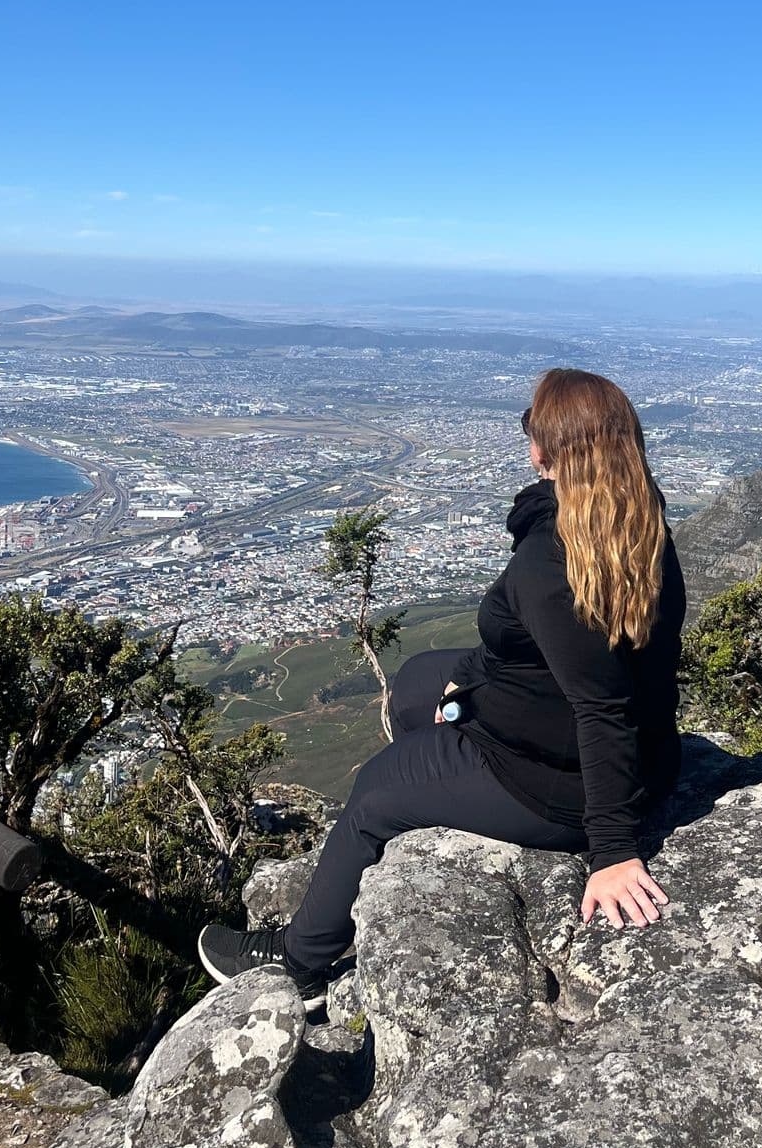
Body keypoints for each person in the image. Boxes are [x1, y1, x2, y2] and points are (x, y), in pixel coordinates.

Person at [197, 366, 687, 1010]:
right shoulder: (634, 520)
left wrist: (614, 851)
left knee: (375, 790)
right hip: (598, 738)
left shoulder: (549, 563)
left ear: (544, 453)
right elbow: (550, 655)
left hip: (555, 780)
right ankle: (431, 801)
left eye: (529, 433)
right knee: (416, 683)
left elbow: (602, 708)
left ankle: (301, 963)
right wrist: (474, 679)